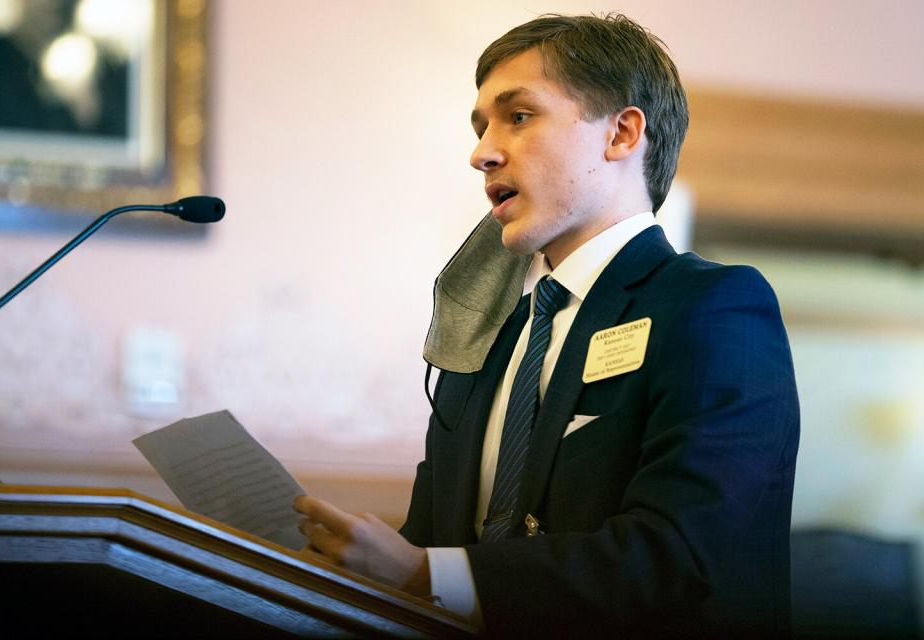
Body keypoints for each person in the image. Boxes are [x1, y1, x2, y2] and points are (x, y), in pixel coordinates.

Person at [295, 13, 799, 638]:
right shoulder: (487, 331)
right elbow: (433, 542)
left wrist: (425, 575)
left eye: (519, 116)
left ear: (621, 133)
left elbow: (679, 558)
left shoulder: (715, 306)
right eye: (481, 127)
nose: (481, 152)